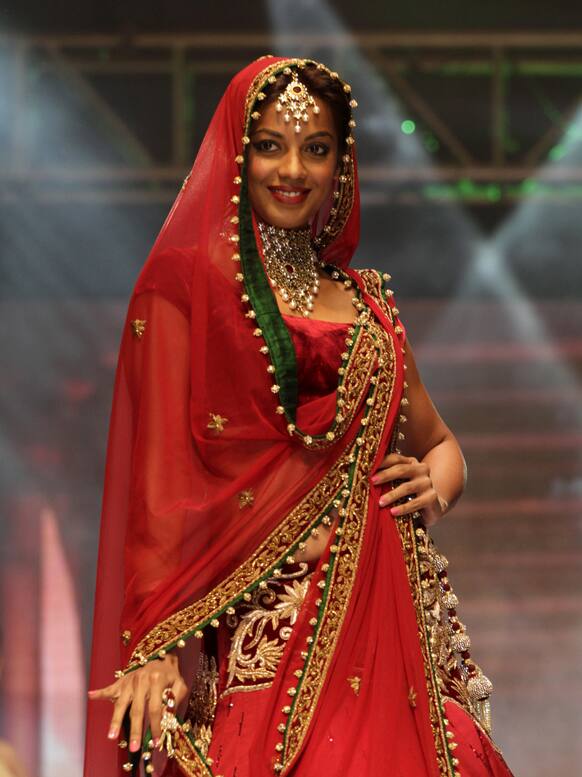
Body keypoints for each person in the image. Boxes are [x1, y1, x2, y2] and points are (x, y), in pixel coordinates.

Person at [85, 56, 514, 777]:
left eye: (317, 148)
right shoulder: (187, 293)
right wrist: (155, 648)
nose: (293, 168)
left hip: (386, 640)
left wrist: (433, 489)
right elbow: (158, 490)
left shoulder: (370, 304)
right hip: (263, 650)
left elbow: (442, 446)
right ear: (236, 153)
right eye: (270, 145)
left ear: (341, 166)